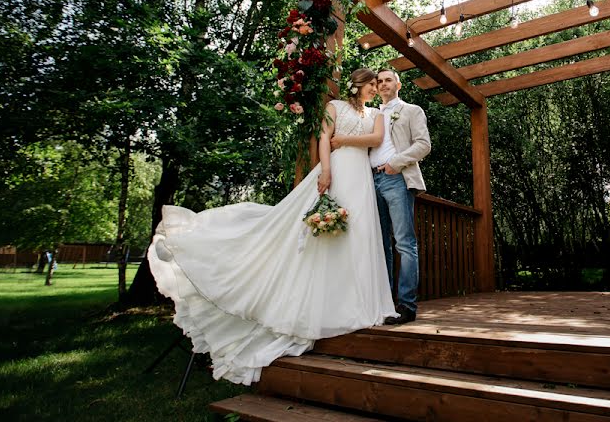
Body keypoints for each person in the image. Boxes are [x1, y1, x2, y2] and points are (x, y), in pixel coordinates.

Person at [147, 68, 397, 385]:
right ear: (359, 84)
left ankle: (359, 303)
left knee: (360, 237)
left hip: (360, 175)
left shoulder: (376, 114)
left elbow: (375, 139)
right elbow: (323, 138)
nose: (377, 89)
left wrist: (344, 139)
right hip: (337, 172)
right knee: (327, 238)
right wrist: (325, 172)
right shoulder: (335, 107)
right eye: (373, 84)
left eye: (379, 85)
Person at [336, 68, 430, 325]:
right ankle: (384, 302)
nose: (383, 84)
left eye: (389, 79)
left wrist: (396, 163)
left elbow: (423, 144)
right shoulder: (371, 113)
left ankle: (407, 305)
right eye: (379, 81)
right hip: (368, 180)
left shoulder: (411, 110)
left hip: (396, 179)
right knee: (380, 244)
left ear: (398, 84)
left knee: (404, 243)